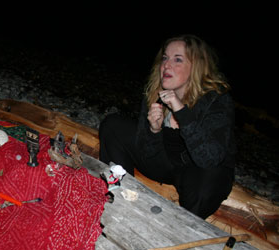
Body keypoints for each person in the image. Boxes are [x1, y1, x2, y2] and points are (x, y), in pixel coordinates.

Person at [99, 34, 236, 219]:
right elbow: (146, 153)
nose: (166, 65)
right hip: (167, 164)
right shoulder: (156, 93)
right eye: (165, 58)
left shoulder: (216, 100)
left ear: (196, 67)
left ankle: (183, 229)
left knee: (208, 180)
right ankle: (118, 193)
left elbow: (209, 159)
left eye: (177, 59)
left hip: (197, 172)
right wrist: (154, 131)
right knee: (113, 126)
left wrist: (181, 111)